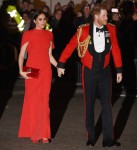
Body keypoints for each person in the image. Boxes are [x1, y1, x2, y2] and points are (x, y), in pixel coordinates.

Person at [57, 3, 122, 147]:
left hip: (105, 72)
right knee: (89, 104)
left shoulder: (111, 29)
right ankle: (91, 137)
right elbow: (70, 46)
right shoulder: (83, 30)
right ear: (96, 16)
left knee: (107, 105)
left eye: (107, 15)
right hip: (89, 71)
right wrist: (61, 64)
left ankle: (108, 139)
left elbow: (116, 49)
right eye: (104, 15)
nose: (107, 17)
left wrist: (119, 69)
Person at [18, 10, 57, 144]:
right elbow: (22, 55)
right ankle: (35, 133)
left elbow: (49, 56)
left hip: (46, 70)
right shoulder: (28, 34)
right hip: (31, 70)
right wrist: (21, 71)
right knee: (34, 102)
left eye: (44, 19)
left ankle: (44, 134)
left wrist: (59, 66)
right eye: (40, 19)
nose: (43, 22)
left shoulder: (49, 34)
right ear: (34, 21)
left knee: (44, 102)